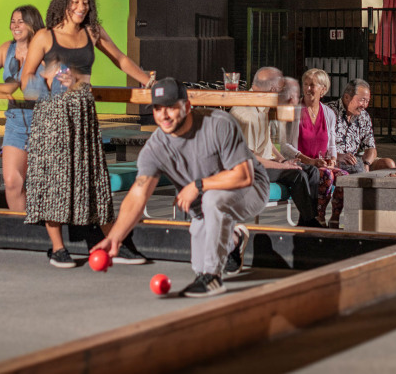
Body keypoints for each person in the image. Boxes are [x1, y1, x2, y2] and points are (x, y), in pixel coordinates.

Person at [94, 78, 269, 297]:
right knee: (198, 261)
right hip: (203, 200)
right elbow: (138, 195)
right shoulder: (156, 148)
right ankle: (234, 239)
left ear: (186, 107)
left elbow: (244, 176)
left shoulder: (218, 124)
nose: (163, 115)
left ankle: (213, 277)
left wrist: (198, 185)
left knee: (213, 204)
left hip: (252, 189)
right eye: (158, 109)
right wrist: (115, 237)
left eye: (170, 108)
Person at [20, 0, 153, 268]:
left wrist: (147, 81)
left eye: (85, 2)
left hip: (83, 113)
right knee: (54, 178)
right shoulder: (44, 37)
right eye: (75, 2)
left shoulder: (92, 32)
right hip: (52, 116)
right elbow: (26, 83)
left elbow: (120, 58)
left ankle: (115, 242)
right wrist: (52, 76)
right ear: (63, 4)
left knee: (93, 178)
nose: (82, 7)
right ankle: (57, 248)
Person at [0, 5, 45, 211]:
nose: (15, 25)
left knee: (41, 183)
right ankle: (19, 228)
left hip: (43, 122)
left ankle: (42, 228)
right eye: (13, 21)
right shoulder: (6, 49)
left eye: (21, 21)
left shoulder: (45, 49)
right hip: (15, 124)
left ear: (33, 24)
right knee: (12, 181)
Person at [230, 66, 321, 228]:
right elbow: (249, 158)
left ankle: (306, 219)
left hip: (265, 162)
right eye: (280, 90)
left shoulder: (262, 106)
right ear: (272, 90)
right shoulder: (247, 114)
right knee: (297, 175)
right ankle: (310, 224)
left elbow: (266, 142)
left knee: (311, 171)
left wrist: (284, 160)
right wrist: (281, 166)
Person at [281, 68, 344, 228]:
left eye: (312, 85)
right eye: (306, 84)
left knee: (345, 177)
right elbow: (284, 146)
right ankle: (318, 217)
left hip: (320, 163)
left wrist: (333, 159)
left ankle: (335, 219)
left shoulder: (329, 113)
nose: (308, 89)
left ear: (323, 89)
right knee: (326, 176)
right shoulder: (294, 111)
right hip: (301, 163)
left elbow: (331, 143)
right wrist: (310, 161)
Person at [328, 78, 396, 173]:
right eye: (362, 100)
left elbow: (371, 147)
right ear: (347, 97)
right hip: (334, 160)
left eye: (367, 101)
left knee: (388, 164)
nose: (365, 105)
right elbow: (318, 146)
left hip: (356, 161)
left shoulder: (363, 115)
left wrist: (366, 164)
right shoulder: (328, 112)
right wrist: (338, 156)